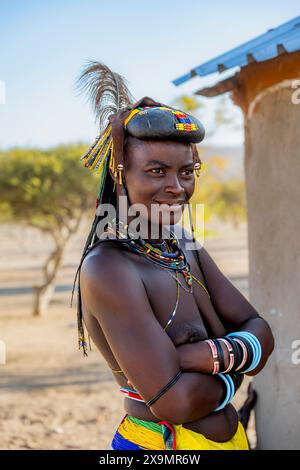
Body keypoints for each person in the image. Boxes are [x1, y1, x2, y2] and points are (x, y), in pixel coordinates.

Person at [71, 62, 274, 450]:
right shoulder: (108, 268)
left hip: (232, 439)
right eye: (157, 171)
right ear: (120, 175)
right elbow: (176, 402)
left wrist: (206, 355)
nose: (177, 187)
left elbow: (261, 328)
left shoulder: (183, 244)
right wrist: (238, 363)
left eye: (187, 171)